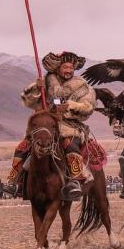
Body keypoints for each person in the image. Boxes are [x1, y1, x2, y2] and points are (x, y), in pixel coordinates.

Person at [14, 51, 96, 201]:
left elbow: (88, 106)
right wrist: (36, 89)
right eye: (65, 67)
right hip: (47, 124)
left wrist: (71, 105)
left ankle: (75, 180)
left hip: (69, 126)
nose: (68, 70)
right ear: (58, 68)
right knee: (23, 146)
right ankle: (18, 180)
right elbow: (28, 100)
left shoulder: (83, 87)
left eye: (71, 68)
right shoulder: (45, 82)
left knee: (69, 145)